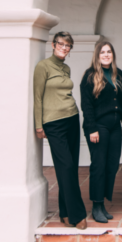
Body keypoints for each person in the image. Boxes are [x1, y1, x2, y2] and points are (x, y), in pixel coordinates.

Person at [33, 31, 87, 229]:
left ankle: (65, 213)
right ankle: (77, 214)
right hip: (53, 123)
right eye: (61, 44)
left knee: (71, 167)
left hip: (72, 118)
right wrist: (39, 125)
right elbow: (37, 97)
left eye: (68, 46)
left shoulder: (66, 68)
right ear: (53, 44)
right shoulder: (43, 67)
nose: (64, 48)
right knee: (64, 167)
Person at [80, 41, 122, 223]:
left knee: (112, 165)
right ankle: (96, 205)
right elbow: (86, 105)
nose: (106, 55)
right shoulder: (90, 75)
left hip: (115, 127)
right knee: (99, 165)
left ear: (113, 54)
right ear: (97, 55)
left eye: (109, 52)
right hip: (98, 127)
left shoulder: (119, 74)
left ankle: (103, 202)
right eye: (103, 52)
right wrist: (92, 128)